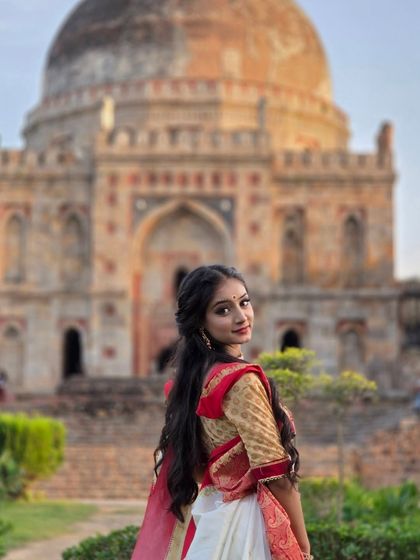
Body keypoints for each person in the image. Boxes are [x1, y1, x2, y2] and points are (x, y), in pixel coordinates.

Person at [131, 265, 311, 560]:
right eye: (223, 310)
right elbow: (275, 474)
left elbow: (199, 464)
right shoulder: (240, 381)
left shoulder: (195, 378)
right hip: (248, 526)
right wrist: (302, 545)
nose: (241, 316)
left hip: (215, 515)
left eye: (244, 302)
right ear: (202, 321)